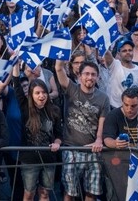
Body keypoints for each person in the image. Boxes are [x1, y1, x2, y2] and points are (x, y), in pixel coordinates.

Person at [54, 59, 108, 201]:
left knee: (91, 193)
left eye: (93, 74)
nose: (90, 77)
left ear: (98, 77)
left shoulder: (103, 98)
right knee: (69, 193)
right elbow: (58, 69)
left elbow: (102, 123)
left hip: (93, 151)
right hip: (71, 149)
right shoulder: (72, 89)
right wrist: (61, 52)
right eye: (86, 74)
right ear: (79, 76)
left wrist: (99, 140)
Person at [11, 65, 62, 201]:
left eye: (44, 92)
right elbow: (16, 85)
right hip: (29, 160)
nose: (41, 96)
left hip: (49, 158)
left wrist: (57, 143)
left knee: (45, 193)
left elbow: (59, 134)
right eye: (37, 93)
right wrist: (15, 66)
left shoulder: (55, 110)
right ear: (31, 95)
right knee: (29, 194)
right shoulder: (25, 108)